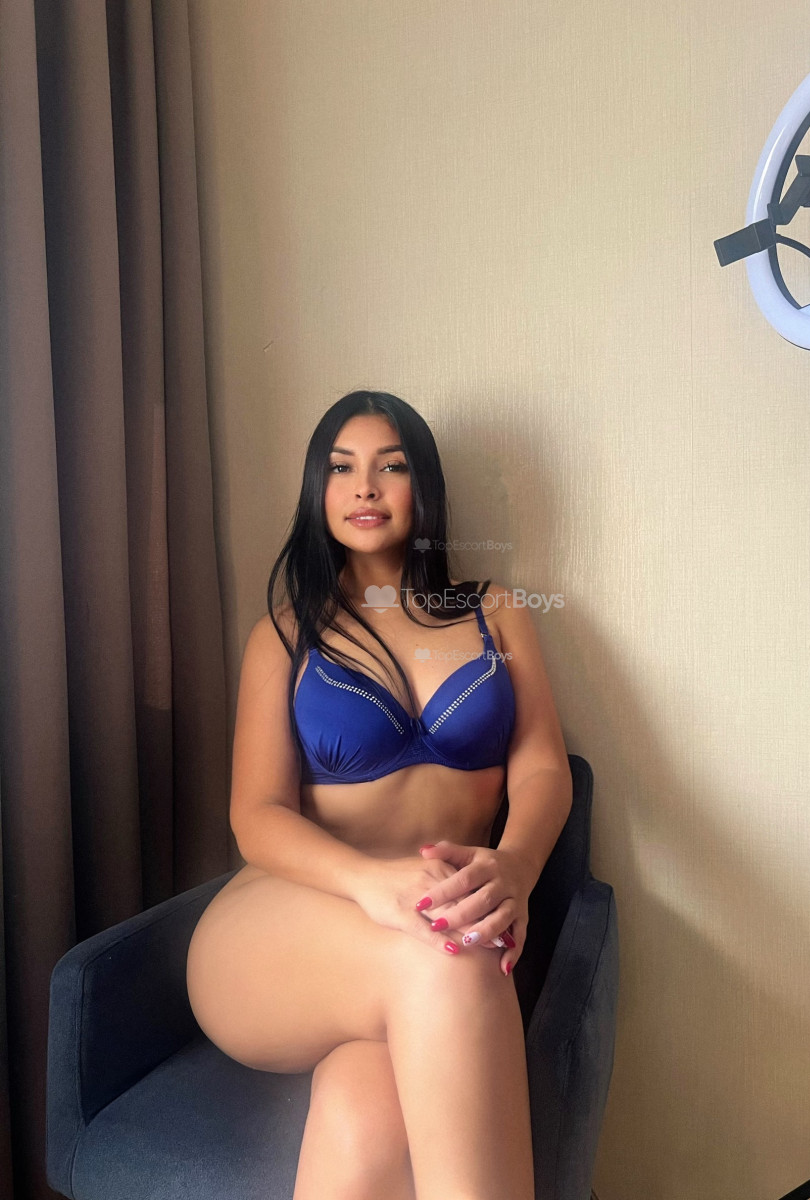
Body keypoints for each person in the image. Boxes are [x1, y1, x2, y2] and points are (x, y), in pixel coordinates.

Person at [185, 389, 573, 1200]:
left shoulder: (495, 612)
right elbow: (255, 816)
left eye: (389, 466)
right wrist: (369, 883)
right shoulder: (285, 634)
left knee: (366, 1109)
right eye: (341, 468)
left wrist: (516, 865)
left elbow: (541, 768)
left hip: (425, 930)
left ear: (422, 485)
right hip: (283, 925)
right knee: (449, 950)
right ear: (317, 490)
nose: (364, 486)